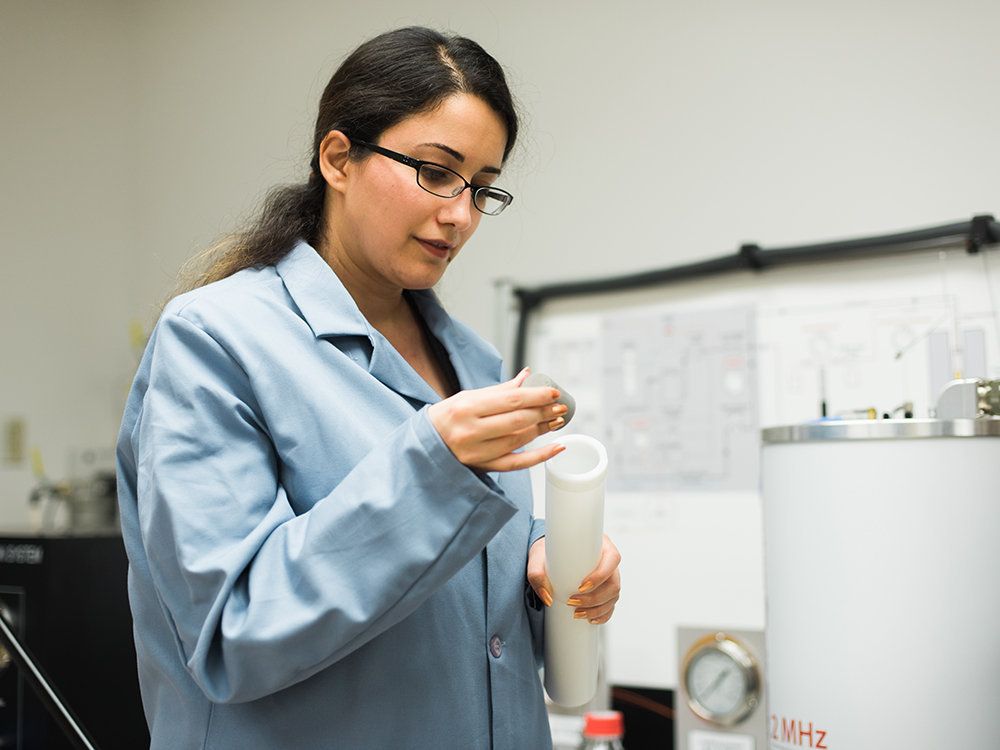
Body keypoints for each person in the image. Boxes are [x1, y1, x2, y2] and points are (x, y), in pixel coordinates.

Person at [116, 26, 621, 750]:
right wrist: (435, 470)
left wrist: (545, 570)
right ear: (338, 158)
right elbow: (234, 633)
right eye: (436, 172)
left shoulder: (472, 362)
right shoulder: (214, 339)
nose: (459, 214)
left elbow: (458, 608)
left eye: (481, 187)